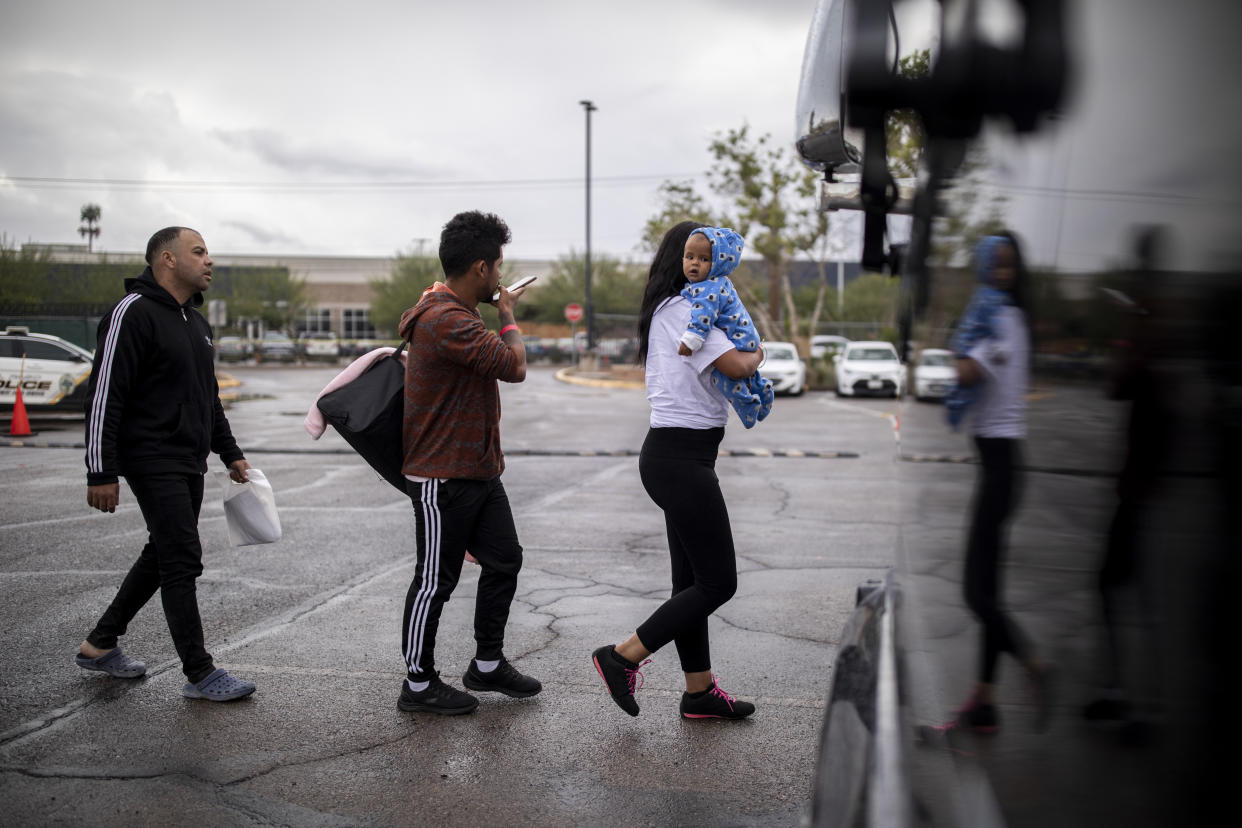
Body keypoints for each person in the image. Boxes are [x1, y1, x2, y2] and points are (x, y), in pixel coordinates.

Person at [591, 220, 764, 720]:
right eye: (697, 255)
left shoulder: (673, 308)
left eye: (707, 256)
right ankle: (621, 657)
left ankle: (699, 692)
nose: (703, 264)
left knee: (691, 584)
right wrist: (760, 353)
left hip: (681, 456)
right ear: (682, 259)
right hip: (679, 459)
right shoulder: (690, 311)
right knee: (718, 583)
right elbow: (736, 366)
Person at [77, 226, 256, 703]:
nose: (209, 260)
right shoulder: (131, 313)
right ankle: (200, 671)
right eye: (198, 252)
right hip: (149, 454)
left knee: (163, 552)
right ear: (167, 260)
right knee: (181, 556)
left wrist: (230, 451)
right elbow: (104, 395)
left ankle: (100, 644)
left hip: (187, 457)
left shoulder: (196, 324)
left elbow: (208, 397)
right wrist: (101, 470)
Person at [394, 210, 541, 716]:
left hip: (478, 471)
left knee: (505, 560)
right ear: (481, 268)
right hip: (442, 475)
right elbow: (514, 366)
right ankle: (417, 683)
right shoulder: (447, 319)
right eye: (498, 267)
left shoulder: (451, 310)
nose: (501, 278)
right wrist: (509, 314)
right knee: (435, 580)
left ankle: (487, 663)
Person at [943, 231, 1054, 734]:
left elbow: (966, 372)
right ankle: (984, 703)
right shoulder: (1012, 316)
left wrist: (962, 337)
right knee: (990, 590)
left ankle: (1034, 665)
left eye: (1008, 266)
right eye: (997, 264)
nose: (1002, 273)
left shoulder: (998, 320)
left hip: (1001, 470)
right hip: (1001, 467)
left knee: (976, 593)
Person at [677, 226, 773, 428]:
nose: (695, 263)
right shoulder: (718, 283)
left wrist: (690, 341)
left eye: (704, 259)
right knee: (743, 374)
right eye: (689, 257)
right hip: (744, 335)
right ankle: (761, 388)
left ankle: (748, 405)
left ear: (717, 263)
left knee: (723, 378)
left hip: (737, 337)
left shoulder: (708, 287)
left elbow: (704, 316)